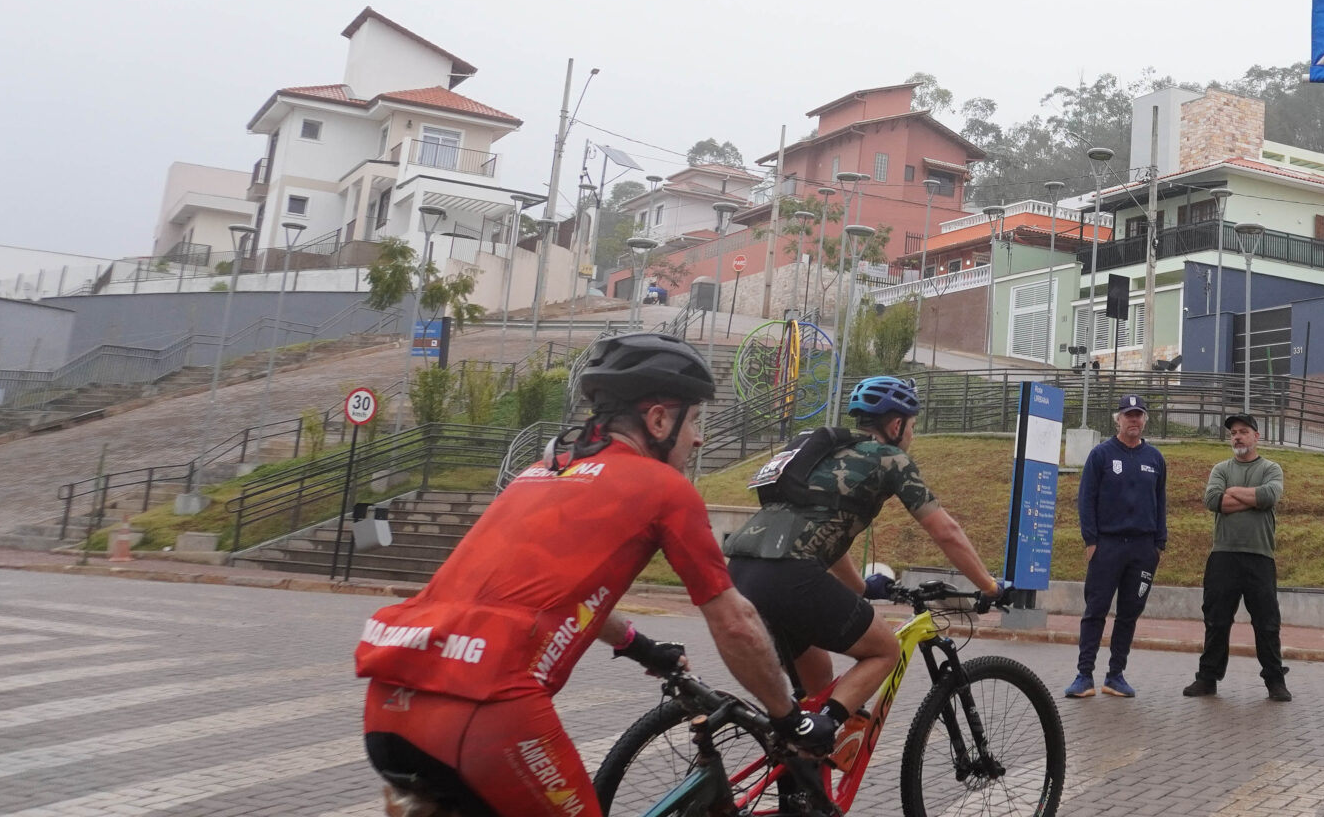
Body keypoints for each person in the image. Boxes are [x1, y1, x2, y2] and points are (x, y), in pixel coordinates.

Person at [354, 332, 795, 817]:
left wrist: (638, 644)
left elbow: (547, 590)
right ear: (659, 418)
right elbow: (734, 623)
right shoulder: (665, 489)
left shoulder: (537, 474)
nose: (699, 437)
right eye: (694, 420)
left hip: (390, 709)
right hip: (483, 714)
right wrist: (789, 719)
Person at [725, 375, 1002, 757]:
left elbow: (825, 528)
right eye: (913, 427)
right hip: (788, 573)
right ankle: (824, 730)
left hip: (741, 570)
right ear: (896, 425)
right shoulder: (890, 458)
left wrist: (859, 587)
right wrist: (990, 586)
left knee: (818, 683)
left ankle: (806, 784)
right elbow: (946, 531)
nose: (912, 436)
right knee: (884, 650)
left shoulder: (825, 452)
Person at [1066, 393, 1166, 699]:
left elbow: (1160, 502)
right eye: (1128, 414)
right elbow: (1086, 500)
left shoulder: (1155, 459)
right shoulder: (1101, 455)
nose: (1133, 420)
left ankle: (1115, 675)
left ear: (1145, 419)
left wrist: (1158, 544)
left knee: (1129, 613)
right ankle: (1084, 676)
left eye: (1139, 415)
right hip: (1108, 546)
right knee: (1095, 610)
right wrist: (1091, 541)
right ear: (1117, 419)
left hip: (1143, 549)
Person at [1185, 414, 1289, 701]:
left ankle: (1275, 681)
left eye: (1243, 432)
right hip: (1223, 556)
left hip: (1260, 556)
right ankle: (1207, 678)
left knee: (1267, 622)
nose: (1237, 437)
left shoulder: (1271, 468)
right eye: (1233, 433)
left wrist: (1233, 493)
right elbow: (1212, 501)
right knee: (1216, 620)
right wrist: (1250, 499)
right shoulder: (1220, 469)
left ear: (1257, 436)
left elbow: (1269, 496)